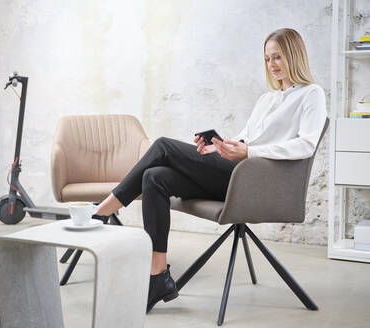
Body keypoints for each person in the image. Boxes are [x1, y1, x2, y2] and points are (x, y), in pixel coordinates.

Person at [91, 28, 327, 313]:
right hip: (235, 169)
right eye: (267, 59)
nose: (272, 64)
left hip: (253, 181)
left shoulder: (311, 94)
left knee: (163, 146)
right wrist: (218, 146)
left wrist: (249, 152)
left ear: (294, 55)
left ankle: (103, 210)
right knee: (154, 177)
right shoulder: (267, 99)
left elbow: (306, 145)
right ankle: (158, 276)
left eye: (278, 57)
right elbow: (244, 139)